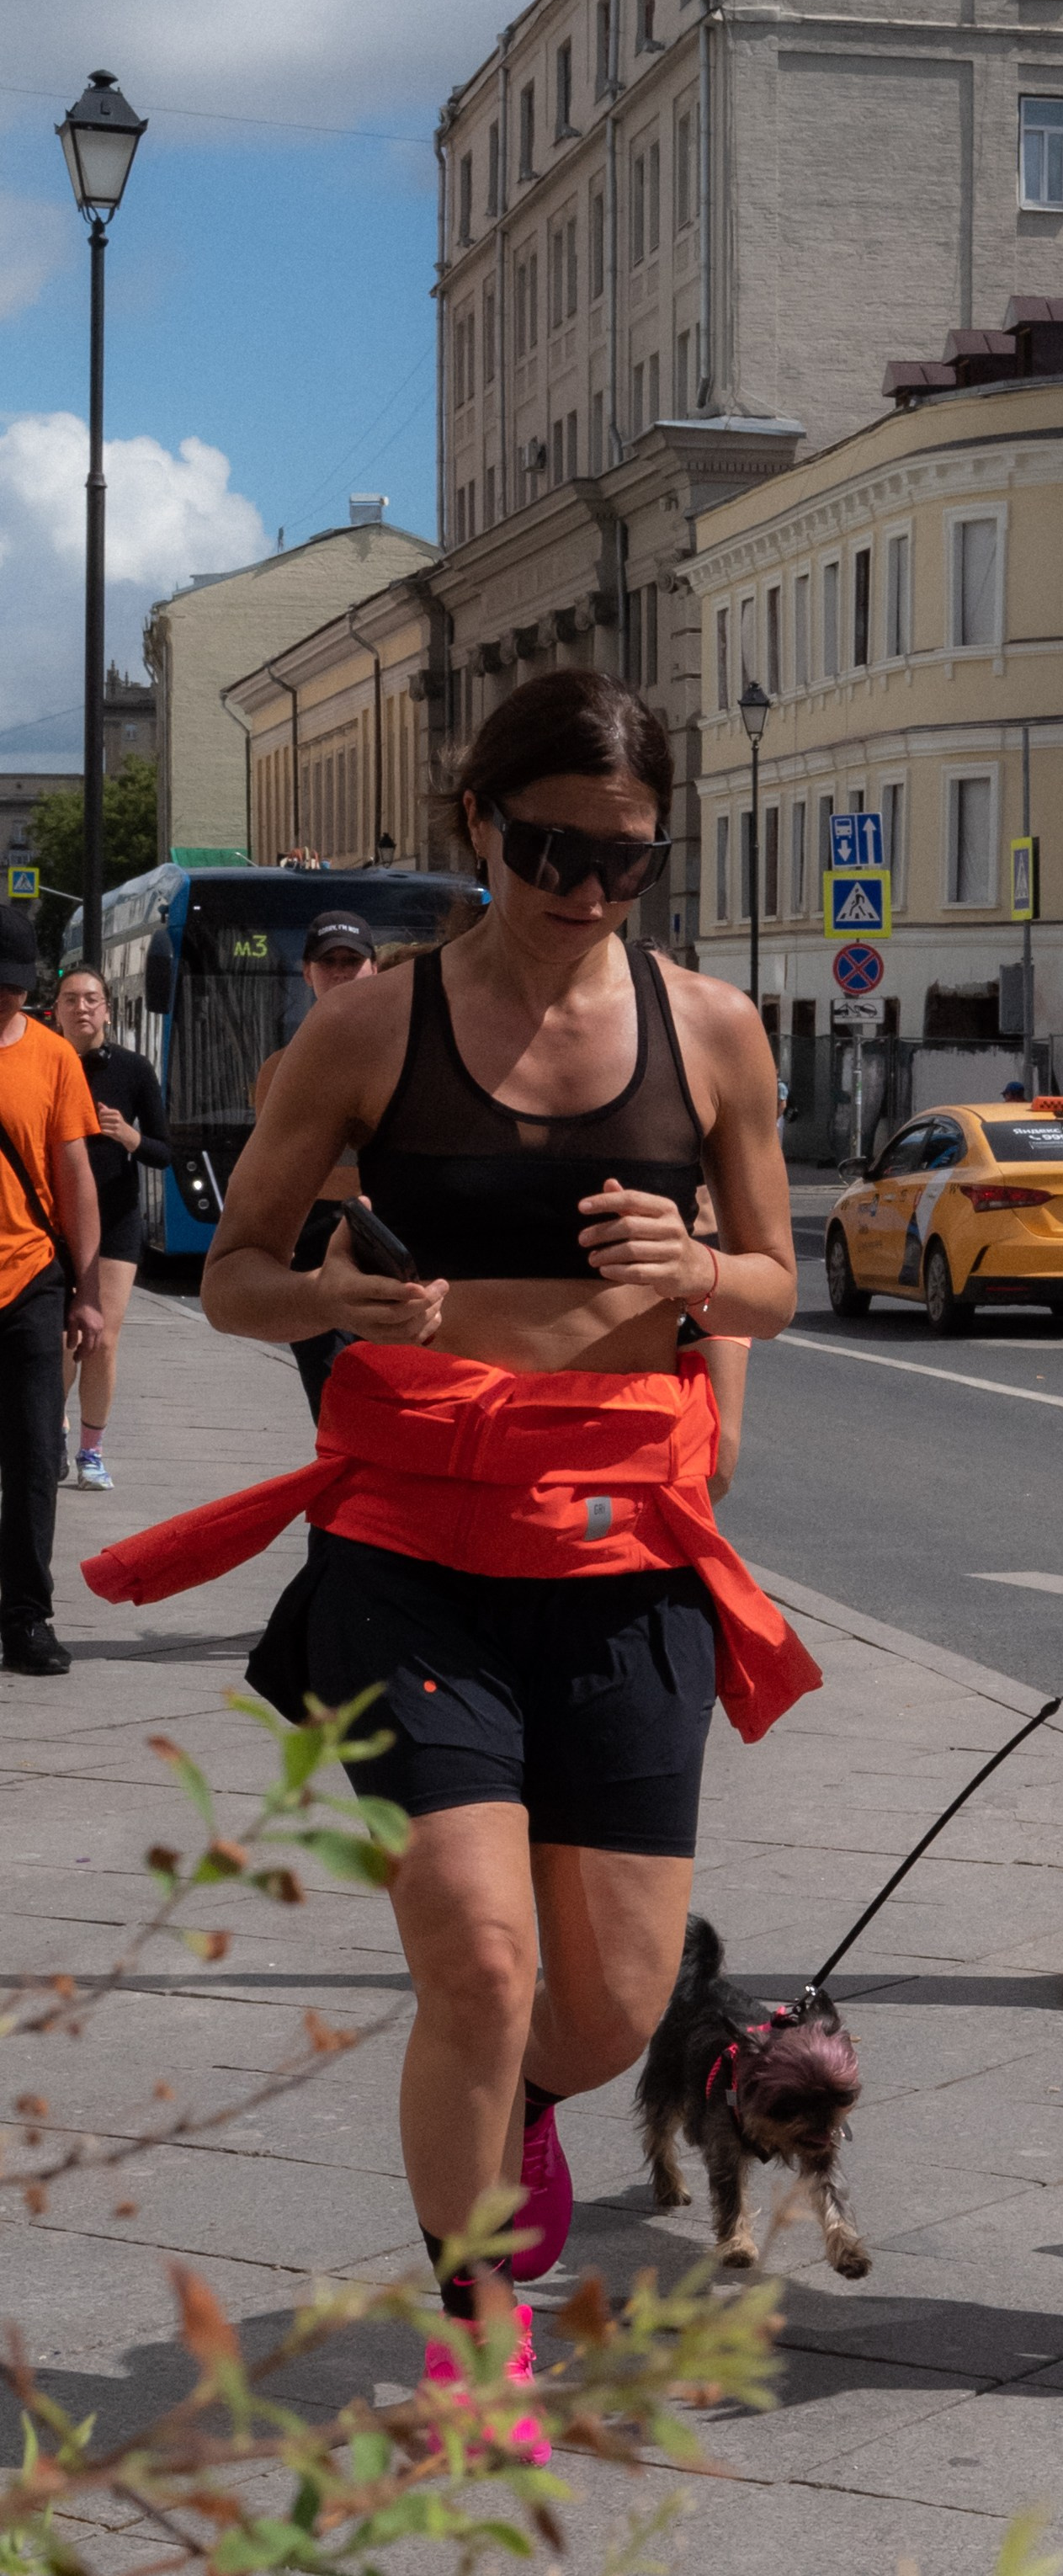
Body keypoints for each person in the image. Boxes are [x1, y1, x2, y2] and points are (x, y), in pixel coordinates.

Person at [167, 670, 809, 2442]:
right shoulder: (372, 1030)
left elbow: (775, 1278)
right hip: (416, 1550)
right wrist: (333, 1295)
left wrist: (694, 1278)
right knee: (476, 1951)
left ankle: (519, 2096)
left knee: (599, 2009)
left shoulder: (718, 1035)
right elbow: (231, 1280)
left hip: (621, 1558)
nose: (585, 889)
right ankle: (478, 2329)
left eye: (626, 861)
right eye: (550, 849)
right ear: (479, 826)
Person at [0, 912, 104, 1673]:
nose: (6, 999)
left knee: (36, 1457)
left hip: (31, 1278)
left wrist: (87, 1289)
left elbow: (74, 1177)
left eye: (14, 987)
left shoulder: (53, 1057)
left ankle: (27, 1618)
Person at [252, 913, 380, 1423]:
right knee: (333, 1406)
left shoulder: (406, 1057)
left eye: (353, 961)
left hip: (394, 1236)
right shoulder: (282, 1070)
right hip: (318, 1240)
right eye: (330, 964)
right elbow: (279, 1175)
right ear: (307, 974)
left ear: (375, 969)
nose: (342, 972)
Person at [52, 966, 170, 1489]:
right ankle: (50, 1434)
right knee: (54, 1341)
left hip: (116, 1221)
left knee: (101, 1339)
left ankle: (91, 1452)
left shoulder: (133, 1069)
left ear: (107, 1009)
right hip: (51, 1222)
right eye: (71, 999)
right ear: (55, 1008)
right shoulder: (41, 1063)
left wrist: (131, 1139)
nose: (82, 1008)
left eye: (92, 999)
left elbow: (167, 1154)